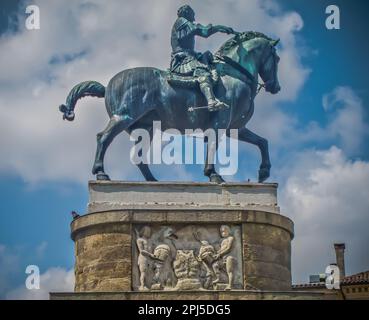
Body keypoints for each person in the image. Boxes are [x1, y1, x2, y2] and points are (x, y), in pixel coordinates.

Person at [170, 5, 235, 111]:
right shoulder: (181, 21)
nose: (194, 19)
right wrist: (218, 27)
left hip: (190, 55)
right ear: (186, 13)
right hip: (183, 59)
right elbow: (203, 32)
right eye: (192, 15)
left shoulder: (184, 23)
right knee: (202, 72)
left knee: (209, 57)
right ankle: (211, 101)